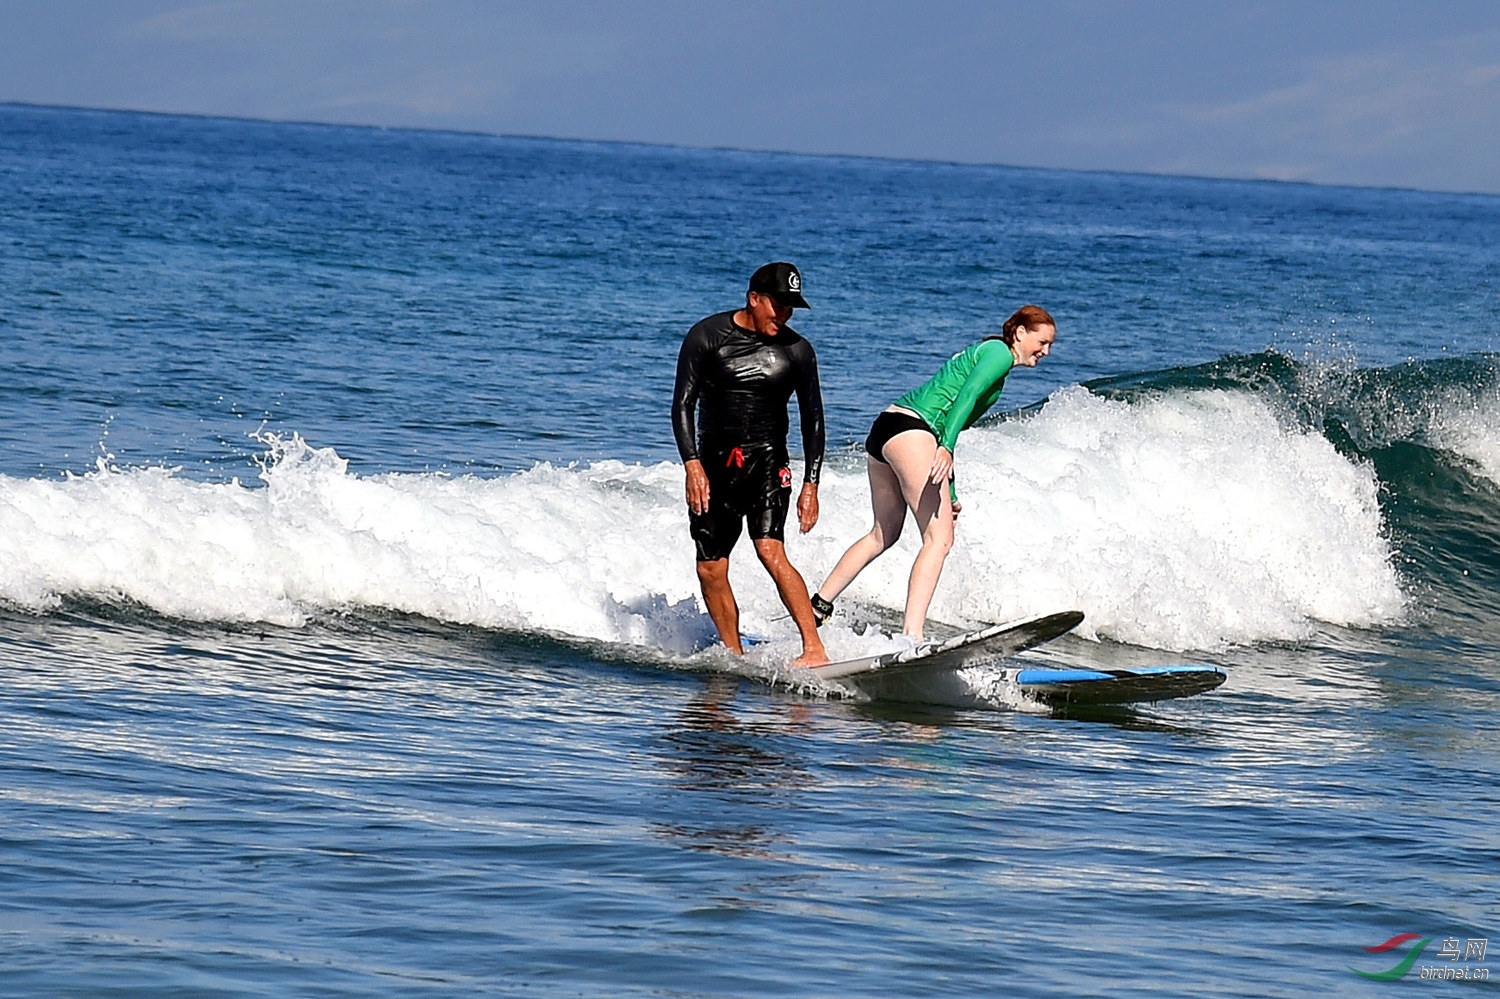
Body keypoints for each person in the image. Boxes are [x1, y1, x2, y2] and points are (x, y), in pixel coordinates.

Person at [812, 305, 1057, 641]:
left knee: (883, 533)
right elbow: (965, 400)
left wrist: (951, 493)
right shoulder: (999, 352)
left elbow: (948, 425)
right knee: (939, 540)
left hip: (889, 426)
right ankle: (912, 635)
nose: (1046, 351)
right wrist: (947, 448)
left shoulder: (988, 355)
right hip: (914, 431)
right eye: (1042, 342)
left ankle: (818, 606)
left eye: (1050, 345)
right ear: (1019, 334)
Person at [672, 262, 829, 666]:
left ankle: (814, 648)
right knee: (710, 567)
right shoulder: (707, 337)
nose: (784, 314)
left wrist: (811, 484)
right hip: (713, 466)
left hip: (768, 462)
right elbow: (682, 405)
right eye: (777, 305)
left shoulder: (798, 351)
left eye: (791, 307)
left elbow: (813, 419)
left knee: (770, 549)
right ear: (754, 299)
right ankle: (734, 654)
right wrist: (692, 465)